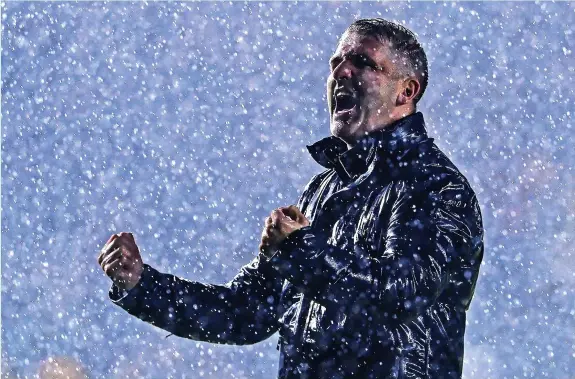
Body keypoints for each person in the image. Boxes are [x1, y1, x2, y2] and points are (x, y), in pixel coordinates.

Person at [98, 18, 484, 379]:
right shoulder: (323, 191)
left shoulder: (435, 187)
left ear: (407, 90)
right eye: (336, 62)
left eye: (363, 62)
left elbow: (397, 294)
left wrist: (299, 251)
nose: (340, 72)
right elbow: (246, 312)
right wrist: (142, 284)